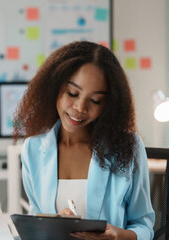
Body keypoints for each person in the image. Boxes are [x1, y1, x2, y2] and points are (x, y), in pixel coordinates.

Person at [13, 41, 155, 240]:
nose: (80, 107)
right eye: (72, 93)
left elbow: (144, 225)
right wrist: (53, 223)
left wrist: (120, 236)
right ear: (54, 88)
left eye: (95, 100)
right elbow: (36, 220)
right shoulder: (33, 149)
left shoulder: (128, 146)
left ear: (108, 103)